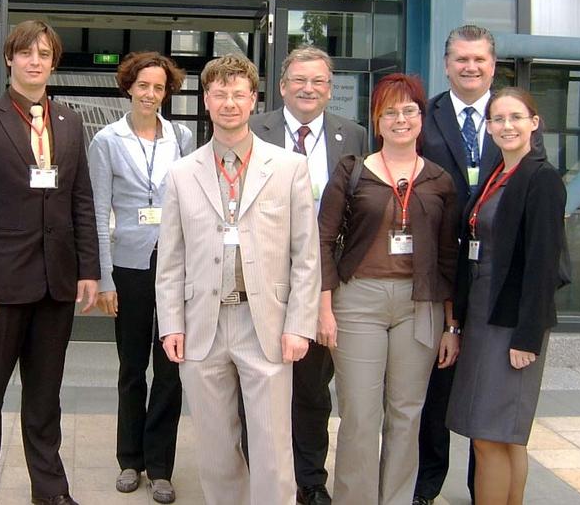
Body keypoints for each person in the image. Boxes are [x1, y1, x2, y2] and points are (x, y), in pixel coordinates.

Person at [156, 54, 320, 505]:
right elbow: (171, 259)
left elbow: (305, 255)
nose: (229, 102)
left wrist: (299, 325)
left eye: (238, 94)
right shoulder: (183, 173)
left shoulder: (287, 168)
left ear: (254, 100)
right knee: (214, 448)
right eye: (220, 93)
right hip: (202, 325)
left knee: (272, 447)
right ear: (206, 100)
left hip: (263, 322)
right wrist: (171, 323)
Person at [0, 19, 100, 505]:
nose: (35, 61)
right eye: (26, 53)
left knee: (44, 399)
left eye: (44, 54)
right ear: (10, 58)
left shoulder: (70, 122)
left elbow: (82, 200)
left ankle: (50, 491)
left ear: (54, 62)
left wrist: (89, 269)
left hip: (55, 285)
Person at [318, 73, 460, 505]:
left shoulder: (439, 180)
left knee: (406, 413)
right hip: (358, 299)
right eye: (390, 112)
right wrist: (324, 309)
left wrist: (451, 325)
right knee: (360, 414)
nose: (401, 119)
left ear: (421, 118)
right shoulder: (353, 170)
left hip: (421, 306)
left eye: (409, 110)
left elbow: (448, 257)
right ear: (377, 120)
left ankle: (396, 499)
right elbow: (322, 240)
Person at [249, 45, 368, 505]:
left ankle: (310, 481)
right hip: (263, 273)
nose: (308, 89)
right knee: (259, 381)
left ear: (330, 89)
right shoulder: (254, 129)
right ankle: (262, 475)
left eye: (318, 82)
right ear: (282, 87)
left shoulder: (353, 136)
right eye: (299, 80)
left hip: (323, 278)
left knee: (313, 388)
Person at [446, 88, 566, 505]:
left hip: (511, 321)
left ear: (534, 122)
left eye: (516, 117)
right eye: (497, 119)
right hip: (482, 313)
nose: (506, 126)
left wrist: (527, 337)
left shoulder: (542, 178)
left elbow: (543, 264)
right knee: (508, 436)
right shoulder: (499, 174)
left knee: (489, 437)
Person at [89, 52, 193, 504]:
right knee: (132, 366)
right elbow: (97, 212)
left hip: (174, 263)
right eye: (142, 85)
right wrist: (104, 277)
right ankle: (129, 459)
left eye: (159, 87)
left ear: (167, 91)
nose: (150, 94)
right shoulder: (106, 141)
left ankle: (162, 465)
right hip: (128, 265)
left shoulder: (183, 137)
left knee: (171, 367)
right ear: (128, 87)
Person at [416, 24, 503, 505]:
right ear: (446, 64)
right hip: (438, 266)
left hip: (493, 271)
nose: (471, 67)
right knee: (435, 385)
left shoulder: (513, 116)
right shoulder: (424, 118)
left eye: (480, 60)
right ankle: (426, 487)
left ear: (493, 64)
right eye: (461, 59)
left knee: (486, 387)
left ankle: (481, 489)